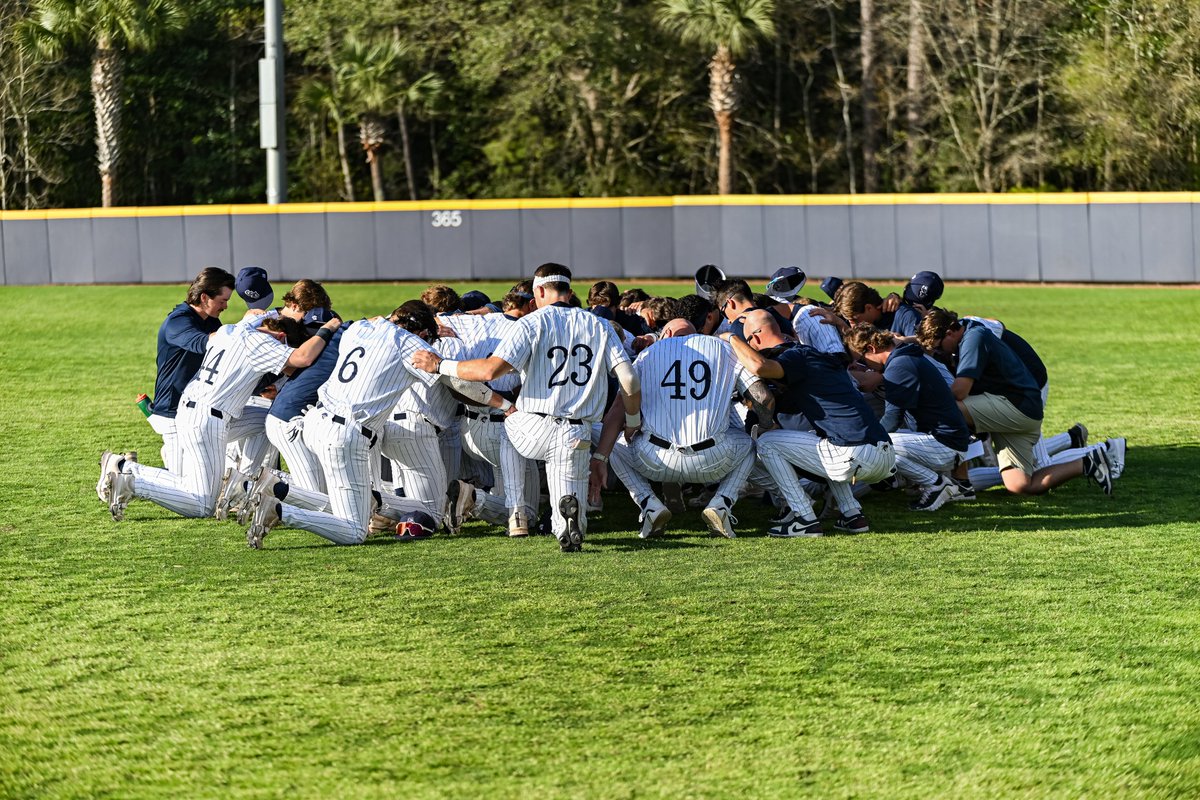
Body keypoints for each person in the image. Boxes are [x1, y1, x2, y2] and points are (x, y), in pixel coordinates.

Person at [413, 263, 641, 553]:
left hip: (533, 427)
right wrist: (632, 420)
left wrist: (440, 365)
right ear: (570, 292)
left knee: (509, 420)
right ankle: (567, 524)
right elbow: (629, 380)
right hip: (576, 431)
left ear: (540, 291)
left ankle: (517, 511)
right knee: (568, 503)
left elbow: (489, 371)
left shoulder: (531, 323)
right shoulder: (600, 325)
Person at [241, 303, 507, 548]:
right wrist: (504, 404)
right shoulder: (410, 344)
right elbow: (459, 384)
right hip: (347, 432)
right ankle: (280, 511)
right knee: (355, 530)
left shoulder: (361, 327)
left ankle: (279, 489)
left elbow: (374, 326)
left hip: (315, 421)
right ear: (424, 332)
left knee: (343, 504)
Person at [99, 313, 340, 521]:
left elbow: (256, 316)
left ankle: (241, 483)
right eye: (285, 347)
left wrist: (276, 314)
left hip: (196, 410)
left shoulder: (232, 329)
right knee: (202, 504)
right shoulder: (262, 342)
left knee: (266, 420)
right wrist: (328, 328)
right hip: (207, 419)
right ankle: (129, 476)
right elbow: (302, 358)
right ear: (280, 337)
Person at [591, 318, 774, 539]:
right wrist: (765, 427)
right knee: (750, 444)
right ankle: (722, 503)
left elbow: (618, 408)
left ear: (667, 333)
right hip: (713, 459)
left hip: (654, 458)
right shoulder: (723, 349)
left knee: (615, 445)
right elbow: (763, 397)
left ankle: (648, 503)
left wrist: (600, 457)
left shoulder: (648, 354)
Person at [729, 310, 897, 536]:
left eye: (749, 342)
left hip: (857, 454)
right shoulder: (817, 355)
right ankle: (852, 515)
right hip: (885, 453)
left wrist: (732, 338)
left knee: (767, 442)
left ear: (755, 338)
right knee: (824, 440)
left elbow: (760, 366)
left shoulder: (796, 356)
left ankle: (804, 518)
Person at [916, 309, 1117, 497]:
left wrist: (923, 395)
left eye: (938, 347)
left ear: (950, 333)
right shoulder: (968, 329)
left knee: (949, 409)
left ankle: (961, 483)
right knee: (1019, 484)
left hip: (1016, 407)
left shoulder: (973, 338)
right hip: (1019, 409)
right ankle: (1087, 462)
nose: (939, 352)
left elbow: (960, 391)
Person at [843, 324, 972, 511]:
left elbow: (892, 418)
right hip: (947, 442)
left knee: (877, 446)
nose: (864, 367)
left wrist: (862, 443)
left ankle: (936, 483)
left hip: (946, 445)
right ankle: (923, 482)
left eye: (863, 359)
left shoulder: (899, 365)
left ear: (871, 348)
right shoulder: (903, 358)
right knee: (878, 444)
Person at [144, 267, 236, 472]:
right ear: (204, 297)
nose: (226, 306)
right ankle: (125, 470)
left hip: (194, 409)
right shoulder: (177, 321)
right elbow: (200, 343)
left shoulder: (210, 321)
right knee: (179, 482)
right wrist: (238, 332)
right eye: (222, 301)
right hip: (172, 412)